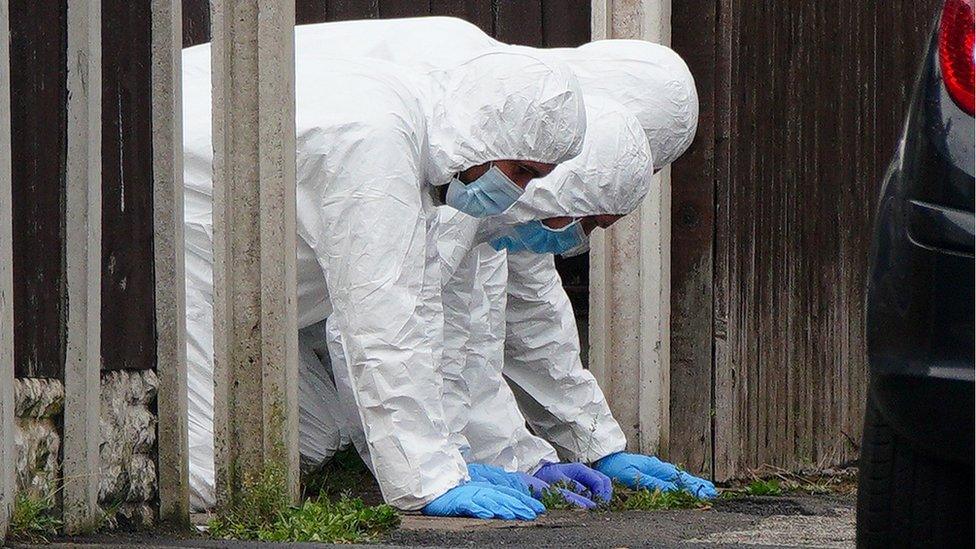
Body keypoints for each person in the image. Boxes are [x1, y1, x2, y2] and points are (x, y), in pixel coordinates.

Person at [288, 17, 716, 505]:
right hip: (222, 247)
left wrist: (566, 446)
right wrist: (437, 474)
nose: (582, 234)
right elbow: (401, 320)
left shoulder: (510, 148)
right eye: (592, 217)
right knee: (288, 439)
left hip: (280, 258)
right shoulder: (473, 137)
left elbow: (496, 320)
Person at [181, 35, 588, 520]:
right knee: (209, 481)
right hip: (183, 252)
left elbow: (425, 315)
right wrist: (429, 479)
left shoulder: (416, 137)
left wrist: (455, 457)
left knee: (306, 436)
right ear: (487, 134)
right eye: (519, 170)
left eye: (532, 179)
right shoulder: (378, 143)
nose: (515, 192)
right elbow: (383, 322)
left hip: (229, 258)